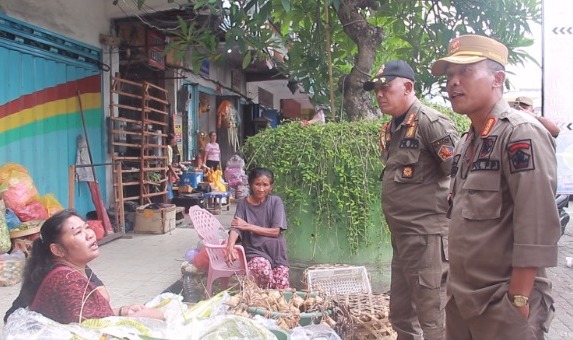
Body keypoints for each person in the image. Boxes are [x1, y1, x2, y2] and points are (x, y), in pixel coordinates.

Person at [431, 34, 559, 340]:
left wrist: (518, 299)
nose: (453, 83)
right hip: (462, 300)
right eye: (449, 75)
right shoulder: (467, 141)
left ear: (497, 79)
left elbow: (536, 224)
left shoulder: (520, 133)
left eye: (466, 71)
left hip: (501, 302)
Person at [363, 60, 459, 340]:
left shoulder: (431, 123)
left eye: (386, 87)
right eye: (376, 90)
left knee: (433, 318)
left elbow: (457, 174)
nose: (380, 94)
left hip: (428, 238)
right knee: (402, 314)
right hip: (403, 238)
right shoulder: (394, 128)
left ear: (407, 87)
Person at [4, 210, 164, 324]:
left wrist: (124, 311)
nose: (90, 234)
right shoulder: (65, 279)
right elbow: (92, 328)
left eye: (87, 227)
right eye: (78, 232)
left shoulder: (71, 268)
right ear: (57, 250)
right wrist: (141, 316)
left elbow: (91, 315)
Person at [224, 167, 289, 289]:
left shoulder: (275, 202)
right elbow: (236, 227)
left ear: (271, 186)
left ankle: (271, 305)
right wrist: (230, 246)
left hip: (277, 253)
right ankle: (261, 302)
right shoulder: (243, 204)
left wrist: (247, 226)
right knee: (263, 273)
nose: (261, 189)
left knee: (281, 286)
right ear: (250, 184)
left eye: (265, 185)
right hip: (255, 252)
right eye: (257, 184)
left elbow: (276, 231)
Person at [166, 133, 179, 201]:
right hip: (166, 172)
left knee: (169, 189)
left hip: (168, 172)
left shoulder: (169, 148)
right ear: (170, 140)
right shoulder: (168, 148)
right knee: (168, 191)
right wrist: (176, 175)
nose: (175, 141)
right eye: (174, 139)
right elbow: (168, 164)